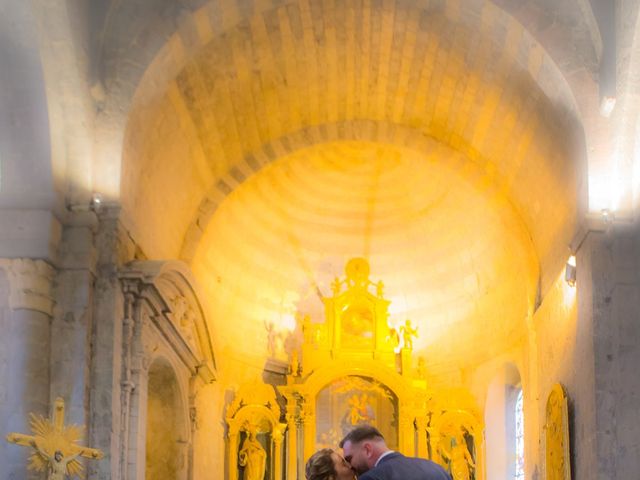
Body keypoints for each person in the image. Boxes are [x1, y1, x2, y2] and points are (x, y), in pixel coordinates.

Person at [340, 425, 451, 480]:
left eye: (349, 458)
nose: (350, 466)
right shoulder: (437, 469)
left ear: (368, 450)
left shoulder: (372, 478)